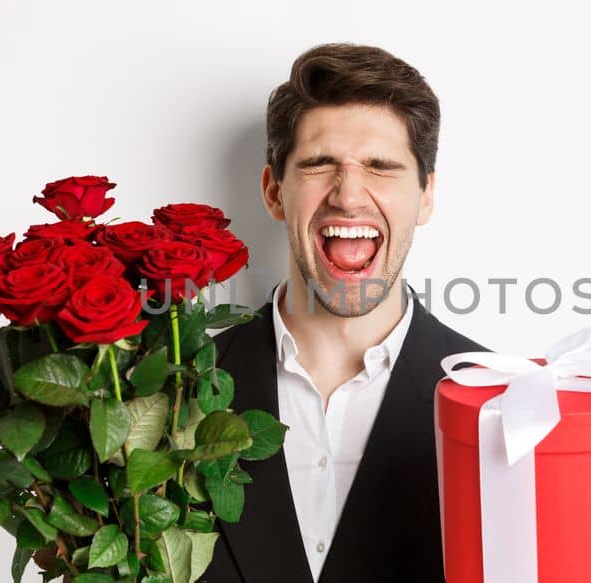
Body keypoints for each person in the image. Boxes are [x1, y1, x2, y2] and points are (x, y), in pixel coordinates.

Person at [200, 42, 488, 583]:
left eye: (381, 167)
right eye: (319, 164)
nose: (349, 195)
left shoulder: (499, 405)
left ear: (425, 196)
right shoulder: (175, 390)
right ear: (274, 192)